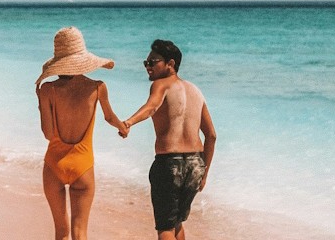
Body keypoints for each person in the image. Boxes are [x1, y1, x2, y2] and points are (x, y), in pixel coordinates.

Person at [36, 27, 128, 240]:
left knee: (61, 232)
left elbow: (48, 134)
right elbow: (109, 117)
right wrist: (123, 127)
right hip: (83, 167)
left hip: (54, 165)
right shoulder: (97, 87)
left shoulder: (47, 90)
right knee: (80, 233)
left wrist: (42, 105)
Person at [121, 39, 216, 240]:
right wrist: (204, 172)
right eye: (145, 63)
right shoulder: (196, 91)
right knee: (176, 222)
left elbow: (151, 107)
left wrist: (129, 122)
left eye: (153, 62)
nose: (148, 67)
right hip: (196, 164)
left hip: (169, 164)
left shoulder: (160, 85)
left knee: (165, 227)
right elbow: (211, 136)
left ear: (170, 64)